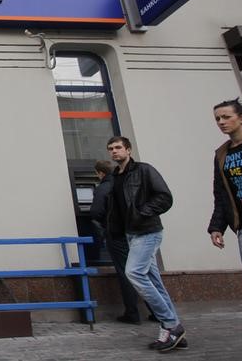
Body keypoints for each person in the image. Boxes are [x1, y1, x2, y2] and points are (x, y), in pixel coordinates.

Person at [106, 136, 186, 352]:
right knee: (154, 281)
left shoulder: (144, 170)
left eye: (118, 148)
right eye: (111, 149)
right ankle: (171, 330)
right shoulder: (115, 176)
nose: (114, 152)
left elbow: (164, 196)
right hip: (131, 235)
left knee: (134, 273)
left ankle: (171, 324)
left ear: (128, 150)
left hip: (148, 232)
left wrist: (142, 213)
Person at [209, 98, 242, 300]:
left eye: (226, 117)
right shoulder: (222, 154)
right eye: (217, 118)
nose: (221, 122)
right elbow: (220, 194)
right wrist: (216, 227)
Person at [90, 160, 145, 324]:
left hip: (116, 234)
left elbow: (95, 212)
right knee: (143, 272)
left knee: (125, 273)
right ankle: (157, 311)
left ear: (100, 173)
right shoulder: (123, 184)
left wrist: (105, 227)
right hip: (136, 233)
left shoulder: (103, 188)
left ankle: (132, 313)